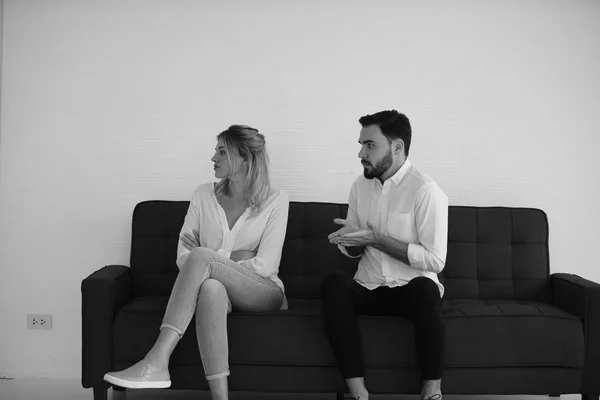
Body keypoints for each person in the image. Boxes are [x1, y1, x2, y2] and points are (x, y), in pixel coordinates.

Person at [104, 125, 289, 400]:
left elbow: (265, 265)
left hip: (263, 292)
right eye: (215, 150)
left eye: (222, 151)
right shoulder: (203, 195)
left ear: (245, 159)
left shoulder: (276, 200)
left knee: (201, 257)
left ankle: (156, 361)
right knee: (210, 288)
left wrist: (210, 255)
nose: (213, 158)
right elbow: (183, 257)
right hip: (218, 288)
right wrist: (236, 258)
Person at [322, 110, 448, 400]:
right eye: (361, 144)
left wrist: (378, 240)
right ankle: (358, 392)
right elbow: (355, 248)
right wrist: (349, 240)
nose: (361, 153)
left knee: (427, 288)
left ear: (397, 146)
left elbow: (435, 260)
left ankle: (431, 392)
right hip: (368, 286)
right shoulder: (359, 186)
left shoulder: (425, 190)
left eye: (370, 145)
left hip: (411, 292)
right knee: (333, 284)